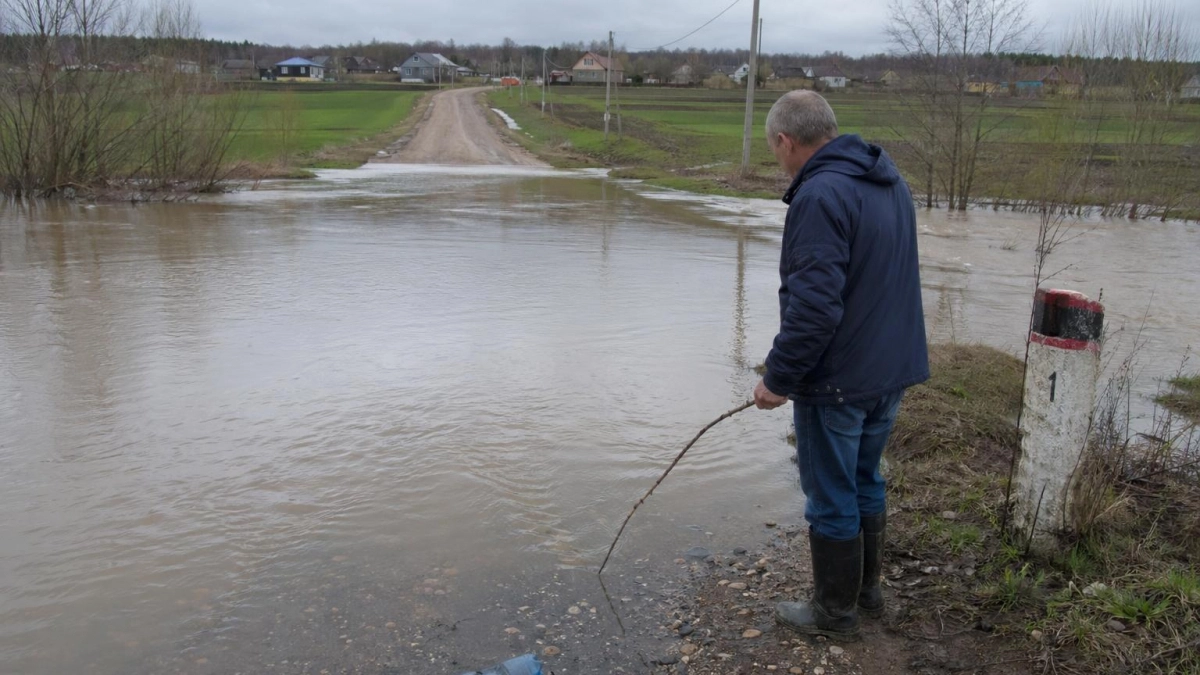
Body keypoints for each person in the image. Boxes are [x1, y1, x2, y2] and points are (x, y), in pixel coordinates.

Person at [752, 90, 929, 642]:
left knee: (831, 494)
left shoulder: (819, 195)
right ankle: (866, 594)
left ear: (786, 140)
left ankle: (834, 614)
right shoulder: (889, 181)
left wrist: (778, 378)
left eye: (774, 148)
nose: (777, 158)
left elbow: (813, 309)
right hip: (890, 368)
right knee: (865, 479)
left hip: (838, 380)